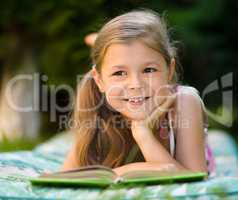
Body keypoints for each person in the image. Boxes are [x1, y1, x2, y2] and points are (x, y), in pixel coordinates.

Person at [62, 9, 215, 176]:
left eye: (149, 70)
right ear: (99, 81)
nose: (136, 84)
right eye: (119, 73)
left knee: (121, 56)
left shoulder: (185, 101)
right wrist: (129, 169)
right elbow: (65, 176)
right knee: (115, 53)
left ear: (170, 71)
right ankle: (97, 42)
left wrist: (143, 134)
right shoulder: (96, 107)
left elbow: (195, 178)